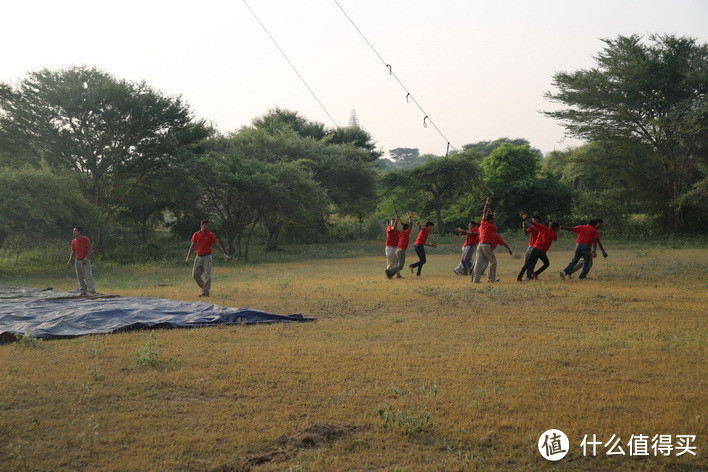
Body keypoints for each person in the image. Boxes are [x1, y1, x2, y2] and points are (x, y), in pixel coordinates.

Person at [186, 219, 231, 296]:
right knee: (195, 275)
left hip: (207, 257)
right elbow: (192, 246)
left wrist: (223, 254)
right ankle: (205, 288)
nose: (207, 227)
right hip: (198, 257)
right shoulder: (196, 234)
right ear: (201, 225)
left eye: (208, 225)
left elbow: (217, 245)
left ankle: (206, 292)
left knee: (207, 275)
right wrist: (188, 257)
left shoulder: (211, 235)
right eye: (206, 225)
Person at [472, 199, 513, 283]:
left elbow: (484, 213)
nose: (494, 219)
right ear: (490, 219)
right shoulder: (493, 226)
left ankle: (475, 280)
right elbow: (499, 238)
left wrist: (486, 204)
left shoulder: (483, 223)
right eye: (493, 218)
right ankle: (491, 279)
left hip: (480, 244)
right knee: (493, 262)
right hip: (486, 245)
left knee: (478, 263)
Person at [66, 226, 96, 296]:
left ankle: (92, 291)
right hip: (77, 261)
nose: (73, 232)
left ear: (79, 232)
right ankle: (83, 291)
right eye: (73, 231)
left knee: (88, 276)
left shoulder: (85, 239)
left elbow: (89, 249)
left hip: (85, 260)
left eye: (75, 231)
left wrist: (87, 258)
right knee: (80, 277)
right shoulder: (74, 241)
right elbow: (73, 252)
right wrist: (69, 261)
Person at [386, 215, 413, 279]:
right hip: (400, 250)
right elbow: (411, 225)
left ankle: (393, 274)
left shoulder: (400, 232)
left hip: (397, 249)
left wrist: (402, 223)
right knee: (400, 266)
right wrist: (410, 218)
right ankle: (389, 271)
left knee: (396, 264)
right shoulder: (406, 232)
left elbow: (396, 229)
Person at [521, 216, 542, 280]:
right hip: (531, 245)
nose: (532, 221)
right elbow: (526, 233)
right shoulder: (532, 226)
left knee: (532, 261)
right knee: (527, 260)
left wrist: (529, 224)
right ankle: (532, 275)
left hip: (536, 246)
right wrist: (524, 226)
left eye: (533, 220)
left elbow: (536, 231)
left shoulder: (540, 226)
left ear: (538, 220)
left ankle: (529, 276)